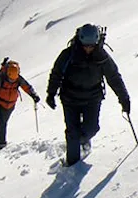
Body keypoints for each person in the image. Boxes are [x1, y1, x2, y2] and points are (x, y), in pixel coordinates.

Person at [45, 24, 131, 166]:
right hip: (69, 98)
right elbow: (57, 73)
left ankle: (83, 142)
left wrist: (124, 98)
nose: (88, 49)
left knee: (92, 128)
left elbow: (114, 77)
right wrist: (51, 93)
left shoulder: (102, 57)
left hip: (92, 99)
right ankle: (72, 165)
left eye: (91, 46)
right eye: (86, 45)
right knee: (72, 132)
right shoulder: (68, 54)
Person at [0, 59, 40, 150]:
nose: (12, 81)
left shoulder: (18, 78)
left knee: (3, 123)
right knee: (2, 123)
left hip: (10, 106)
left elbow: (26, 86)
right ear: (7, 74)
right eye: (10, 79)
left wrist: (34, 95)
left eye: (13, 80)